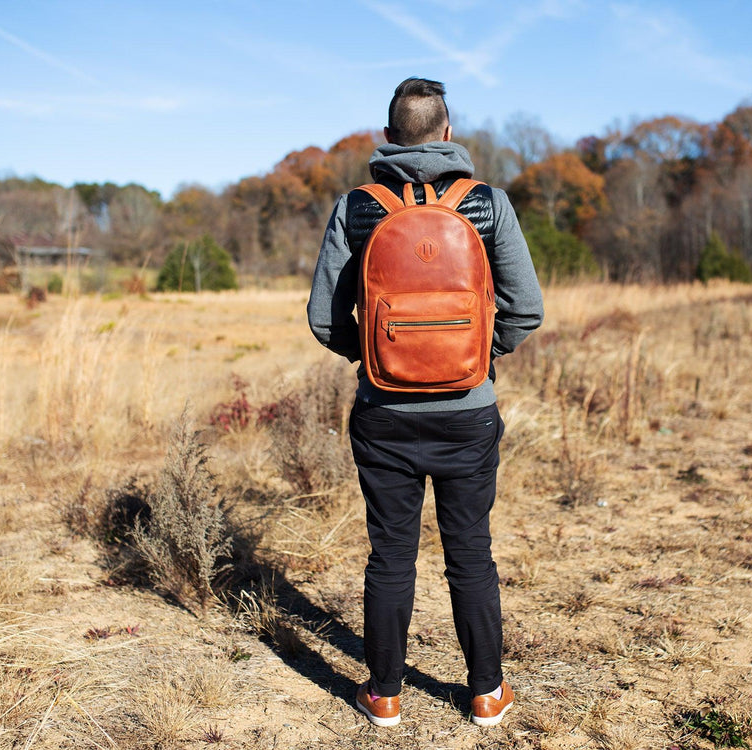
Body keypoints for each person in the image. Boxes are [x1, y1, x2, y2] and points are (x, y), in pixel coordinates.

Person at [307, 77, 544, 728]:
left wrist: (380, 361)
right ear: (448, 131)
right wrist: (477, 360)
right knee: (471, 552)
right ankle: (488, 694)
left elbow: (323, 320)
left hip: (383, 415)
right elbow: (527, 310)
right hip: (469, 411)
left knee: (390, 554)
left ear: (389, 138)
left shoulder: (358, 207)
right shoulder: (488, 205)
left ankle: (383, 695)